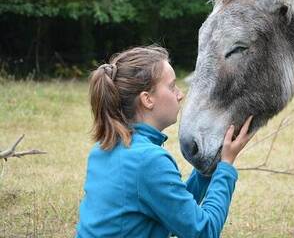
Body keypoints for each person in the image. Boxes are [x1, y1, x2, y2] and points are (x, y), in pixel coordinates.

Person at [76, 45, 253, 238]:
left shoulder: (103, 149)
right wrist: (226, 167)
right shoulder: (148, 159)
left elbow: (171, 208)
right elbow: (204, 231)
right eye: (172, 86)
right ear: (147, 99)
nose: (180, 94)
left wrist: (206, 169)